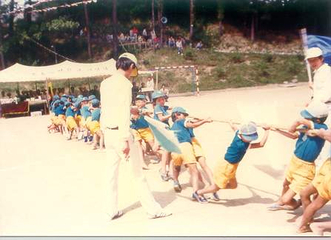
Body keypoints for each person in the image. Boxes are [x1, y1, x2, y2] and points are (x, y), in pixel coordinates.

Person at [100, 52, 171, 220]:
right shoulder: (125, 84)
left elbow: (110, 107)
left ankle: (111, 210)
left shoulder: (105, 82)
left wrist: (131, 109)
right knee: (137, 174)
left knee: (111, 175)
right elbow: (123, 113)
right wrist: (125, 139)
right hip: (120, 134)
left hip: (108, 133)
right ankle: (153, 210)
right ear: (131, 66)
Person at [268, 101, 328, 211]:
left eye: (308, 118)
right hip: (294, 161)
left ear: (318, 120)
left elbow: (298, 121)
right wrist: (277, 130)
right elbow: (294, 136)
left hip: (305, 168)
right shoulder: (306, 127)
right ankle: (292, 204)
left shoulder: (321, 128)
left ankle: (286, 202)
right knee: (285, 184)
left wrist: (292, 126)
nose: (306, 119)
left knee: (285, 199)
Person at [195, 121, 269, 202]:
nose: (249, 140)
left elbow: (235, 128)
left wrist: (231, 123)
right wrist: (267, 131)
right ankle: (198, 193)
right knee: (217, 186)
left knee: (233, 185)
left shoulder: (238, 134)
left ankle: (213, 189)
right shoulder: (242, 145)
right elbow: (261, 144)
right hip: (226, 166)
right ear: (241, 135)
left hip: (233, 166)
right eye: (248, 138)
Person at [170, 107, 215, 202]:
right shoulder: (181, 121)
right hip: (185, 146)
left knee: (177, 167)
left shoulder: (173, 126)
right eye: (184, 115)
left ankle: (175, 181)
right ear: (177, 115)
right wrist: (205, 121)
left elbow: (192, 122)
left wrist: (201, 119)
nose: (185, 117)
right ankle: (196, 192)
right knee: (194, 171)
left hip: (175, 148)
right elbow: (193, 125)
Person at [306, 47, 331, 172]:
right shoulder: (318, 72)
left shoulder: (327, 71)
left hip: (327, 108)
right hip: (319, 108)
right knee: (315, 135)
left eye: (314, 60)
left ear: (321, 58)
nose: (312, 63)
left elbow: (327, 95)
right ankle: (318, 166)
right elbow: (319, 93)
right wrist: (312, 95)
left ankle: (322, 169)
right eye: (310, 61)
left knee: (324, 136)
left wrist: (315, 94)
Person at [152, 90, 172, 181]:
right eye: (159, 100)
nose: (162, 101)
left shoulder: (163, 107)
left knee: (165, 150)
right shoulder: (157, 107)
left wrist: (172, 109)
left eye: (163, 99)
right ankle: (164, 169)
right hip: (160, 129)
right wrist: (170, 115)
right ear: (155, 101)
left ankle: (166, 168)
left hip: (164, 129)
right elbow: (161, 118)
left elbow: (169, 107)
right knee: (162, 150)